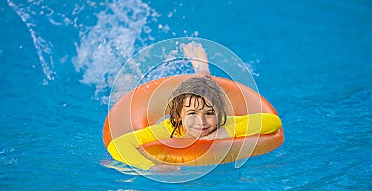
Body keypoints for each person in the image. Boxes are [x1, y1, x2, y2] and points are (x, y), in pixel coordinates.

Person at [107, 42, 282, 170]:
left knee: (206, 88)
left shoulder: (224, 125)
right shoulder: (168, 129)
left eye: (210, 113)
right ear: (178, 116)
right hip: (146, 104)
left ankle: (203, 73)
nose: (202, 121)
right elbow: (119, 144)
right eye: (192, 114)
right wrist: (151, 167)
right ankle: (123, 82)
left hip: (208, 108)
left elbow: (272, 122)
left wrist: (224, 133)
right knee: (122, 95)